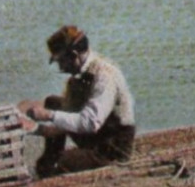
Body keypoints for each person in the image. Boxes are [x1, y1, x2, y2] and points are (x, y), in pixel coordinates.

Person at [20, 25, 136, 176]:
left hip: (112, 148)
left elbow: (89, 123)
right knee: (53, 102)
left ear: (74, 55)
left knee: (65, 162)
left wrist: (48, 115)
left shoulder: (105, 76)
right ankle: (47, 165)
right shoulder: (79, 77)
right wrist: (35, 128)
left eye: (61, 61)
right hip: (98, 136)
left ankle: (56, 166)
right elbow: (67, 117)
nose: (60, 67)